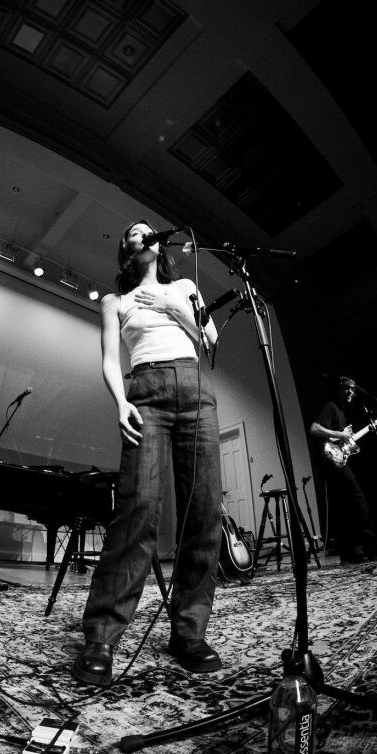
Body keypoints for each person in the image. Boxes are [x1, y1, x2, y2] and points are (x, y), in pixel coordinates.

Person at [72, 221, 223, 687]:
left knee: (204, 511)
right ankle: (101, 637)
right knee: (138, 509)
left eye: (148, 229)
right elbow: (108, 358)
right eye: (135, 232)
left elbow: (210, 339)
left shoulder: (185, 287)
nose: (145, 234)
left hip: (195, 390)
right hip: (146, 393)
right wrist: (121, 403)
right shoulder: (114, 301)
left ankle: (189, 633)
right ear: (126, 248)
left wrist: (173, 306)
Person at [308, 377, 377, 563]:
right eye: (347, 388)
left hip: (338, 461)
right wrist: (340, 434)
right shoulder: (330, 407)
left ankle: (350, 553)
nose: (351, 392)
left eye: (353, 390)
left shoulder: (341, 412)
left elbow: (346, 441)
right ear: (339, 389)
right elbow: (314, 429)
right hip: (332, 461)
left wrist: (374, 424)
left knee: (344, 508)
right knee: (357, 499)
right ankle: (372, 546)